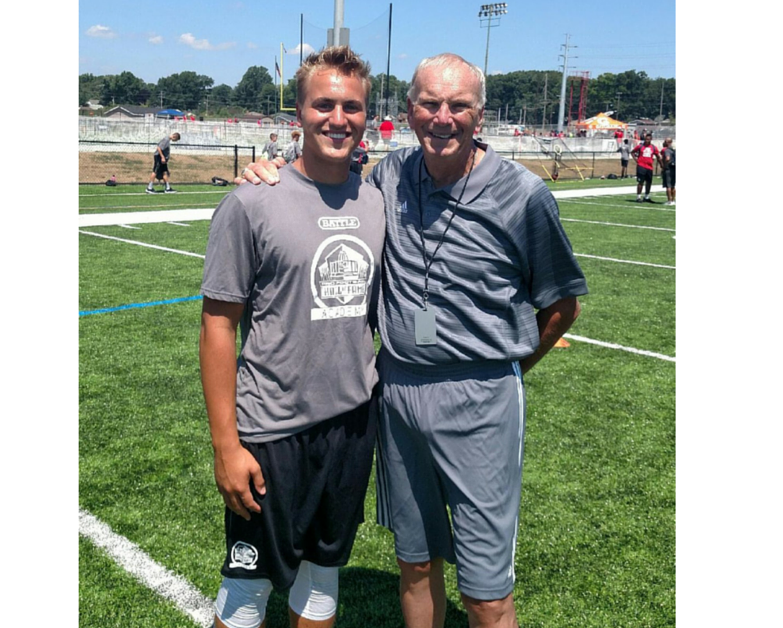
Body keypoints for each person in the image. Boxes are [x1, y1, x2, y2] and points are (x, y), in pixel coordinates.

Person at [239, 52, 587, 628]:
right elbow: (317, 181)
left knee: (486, 591)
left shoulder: (522, 194)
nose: (442, 117)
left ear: (481, 115)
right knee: (416, 564)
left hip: (481, 398)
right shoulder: (389, 175)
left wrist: (509, 371)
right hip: (397, 391)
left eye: (458, 105)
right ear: (409, 110)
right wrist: (265, 171)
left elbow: (562, 304)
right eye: (429, 103)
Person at [199, 46, 384, 628]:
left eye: (351, 107)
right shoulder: (252, 201)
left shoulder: (379, 202)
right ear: (298, 113)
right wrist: (226, 446)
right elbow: (217, 325)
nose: (338, 118)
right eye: (323, 104)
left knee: (322, 583)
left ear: (367, 116)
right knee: (247, 591)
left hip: (352, 424)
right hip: (270, 429)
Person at [631, 132, 660, 202]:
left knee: (649, 182)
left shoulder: (653, 147)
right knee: (640, 182)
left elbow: (658, 156)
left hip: (649, 167)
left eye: (648, 139)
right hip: (641, 166)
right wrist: (636, 160)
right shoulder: (640, 146)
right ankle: (638, 197)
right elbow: (632, 152)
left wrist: (661, 163)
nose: (647, 141)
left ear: (651, 139)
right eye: (646, 139)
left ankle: (646, 196)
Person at [660, 137, 676, 206]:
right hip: (674, 169)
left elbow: (667, 158)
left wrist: (664, 166)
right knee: (673, 185)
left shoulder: (667, 150)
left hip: (668, 169)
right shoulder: (674, 150)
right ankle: (673, 200)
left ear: (668, 142)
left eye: (665, 141)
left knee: (668, 186)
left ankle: (669, 201)